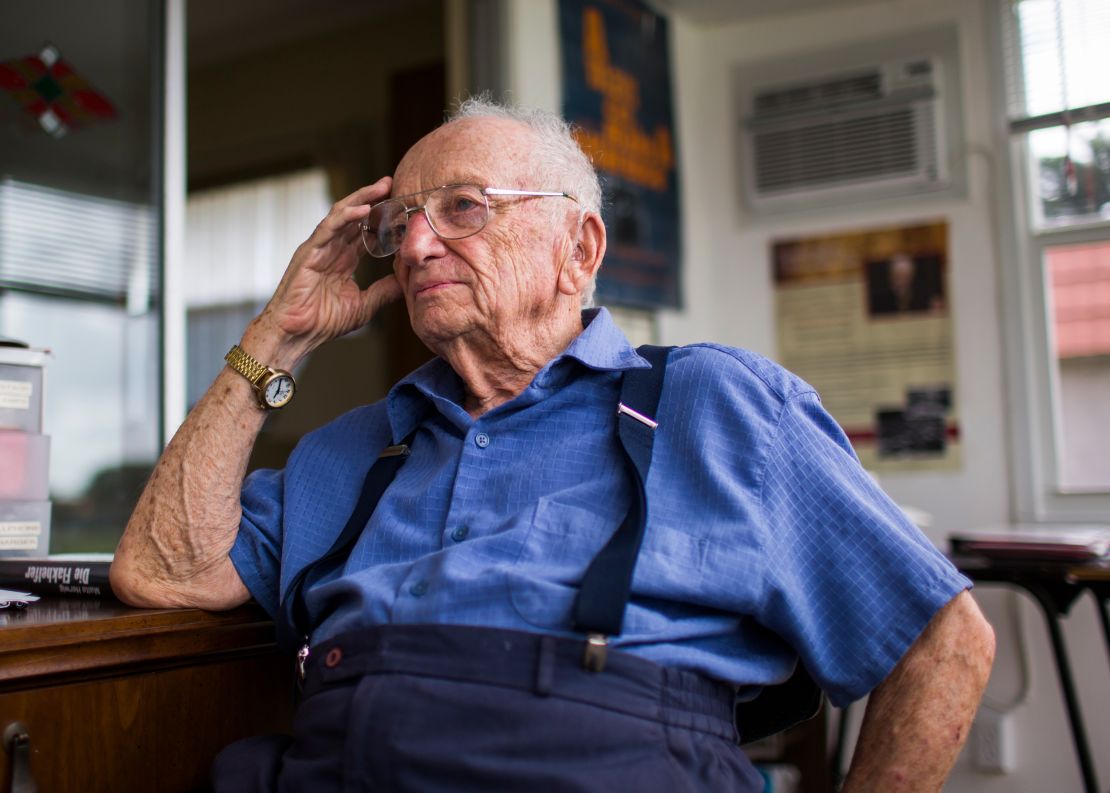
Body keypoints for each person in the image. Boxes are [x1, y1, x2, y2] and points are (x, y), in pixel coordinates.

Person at [111, 97, 994, 792]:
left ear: (580, 246)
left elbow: (944, 639)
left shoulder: (716, 403)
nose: (416, 246)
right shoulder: (353, 450)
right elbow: (161, 572)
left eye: (463, 208)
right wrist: (278, 336)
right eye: (400, 222)